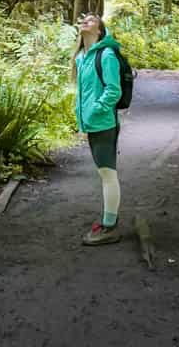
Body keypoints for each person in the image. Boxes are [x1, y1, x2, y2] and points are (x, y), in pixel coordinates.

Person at [71, 13, 123, 246]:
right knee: (105, 173)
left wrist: (95, 111)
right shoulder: (82, 57)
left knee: (107, 174)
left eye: (91, 20)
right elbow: (83, 93)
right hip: (92, 123)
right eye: (83, 20)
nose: (85, 22)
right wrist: (81, 116)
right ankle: (108, 222)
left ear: (100, 31)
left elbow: (113, 90)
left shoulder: (107, 54)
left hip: (103, 123)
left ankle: (109, 226)